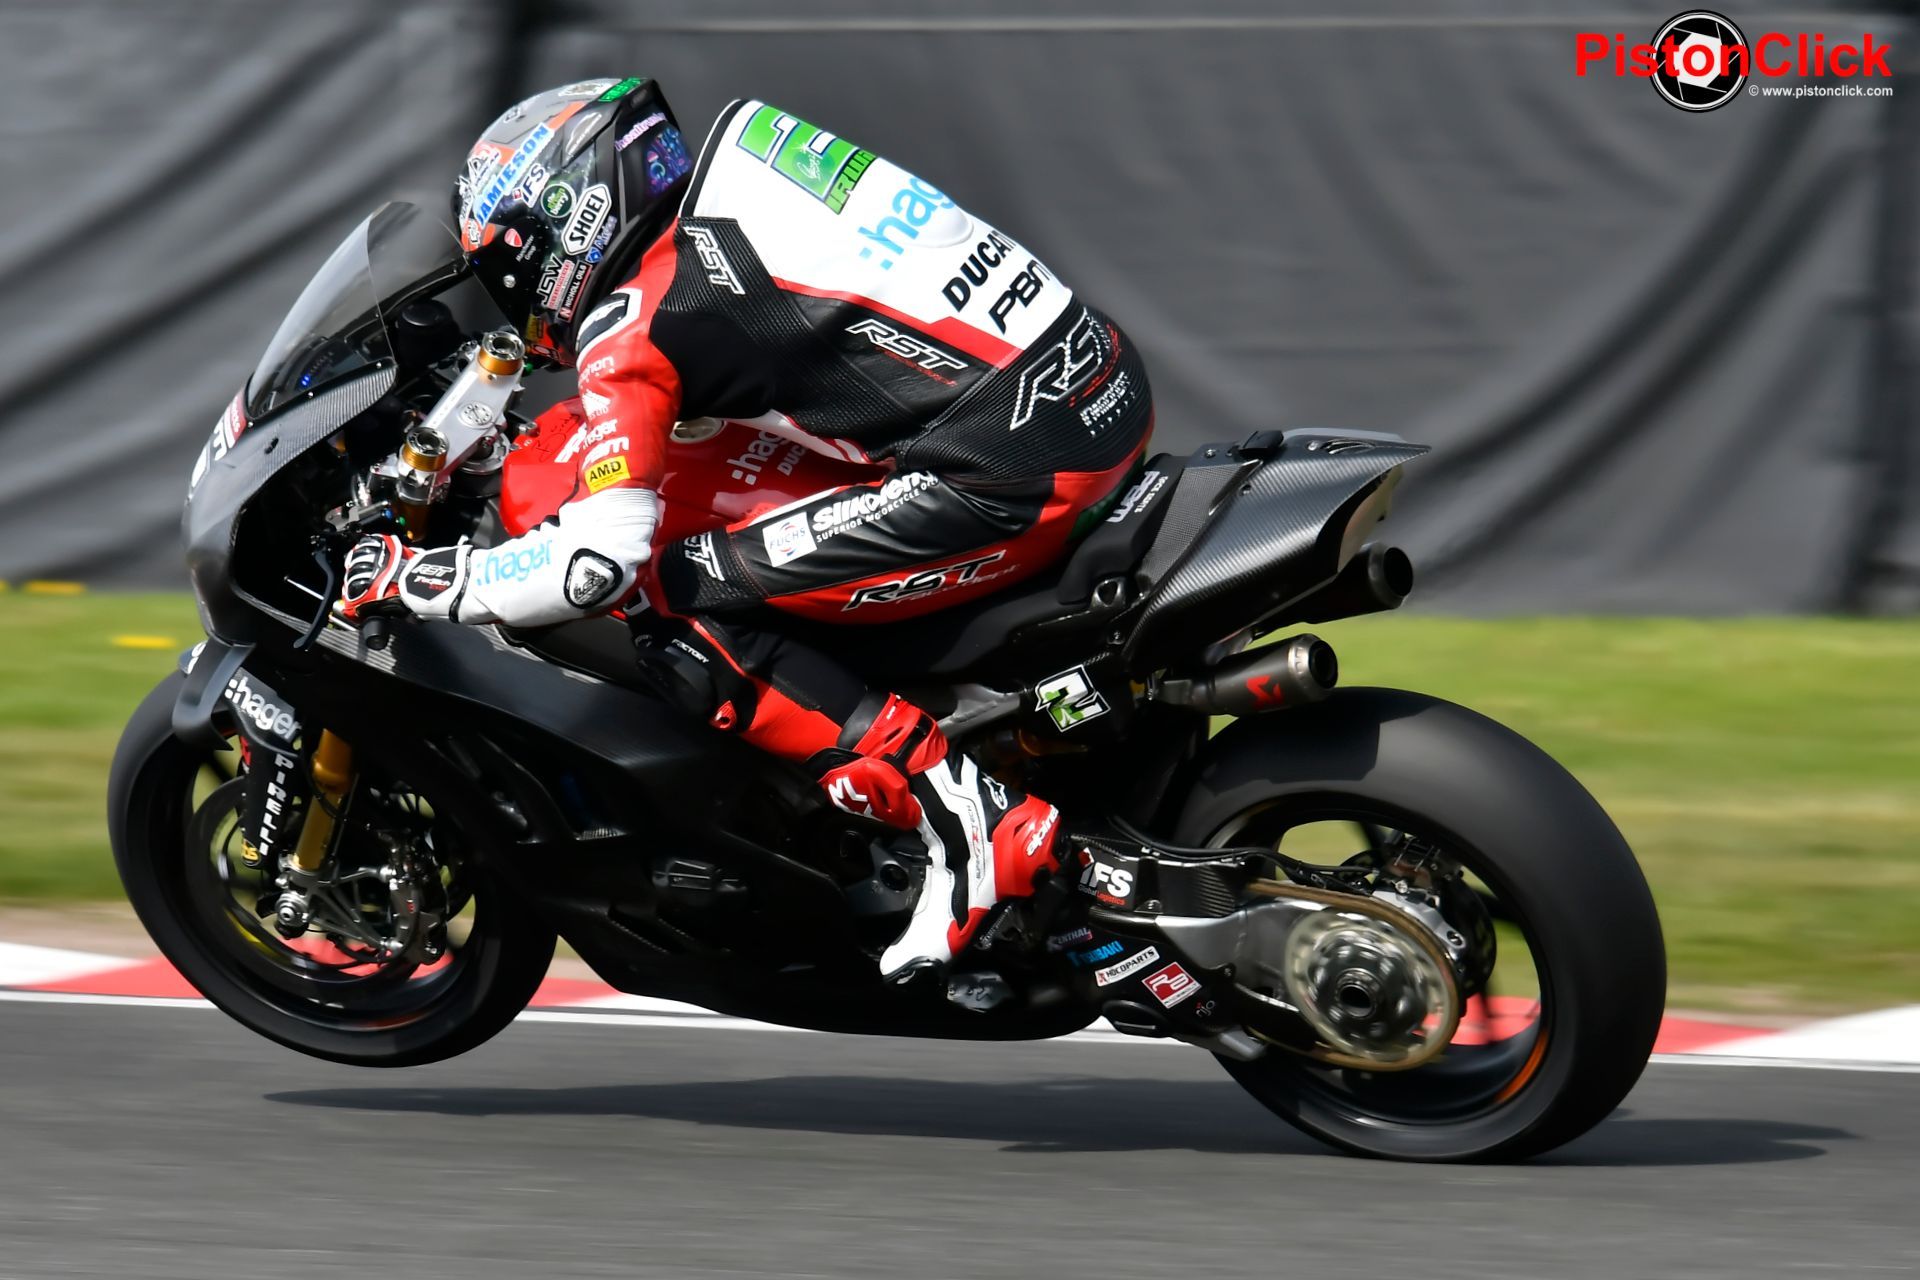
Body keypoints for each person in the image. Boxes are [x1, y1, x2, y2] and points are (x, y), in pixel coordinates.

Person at [337, 78, 1154, 983]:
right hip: (1096, 378)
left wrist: (424, 578)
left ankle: (967, 818)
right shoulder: (750, 143)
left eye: (510, 263)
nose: (513, 290)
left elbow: (590, 567)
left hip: (1008, 472)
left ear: (559, 231)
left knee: (669, 590)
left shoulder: (632, 325)